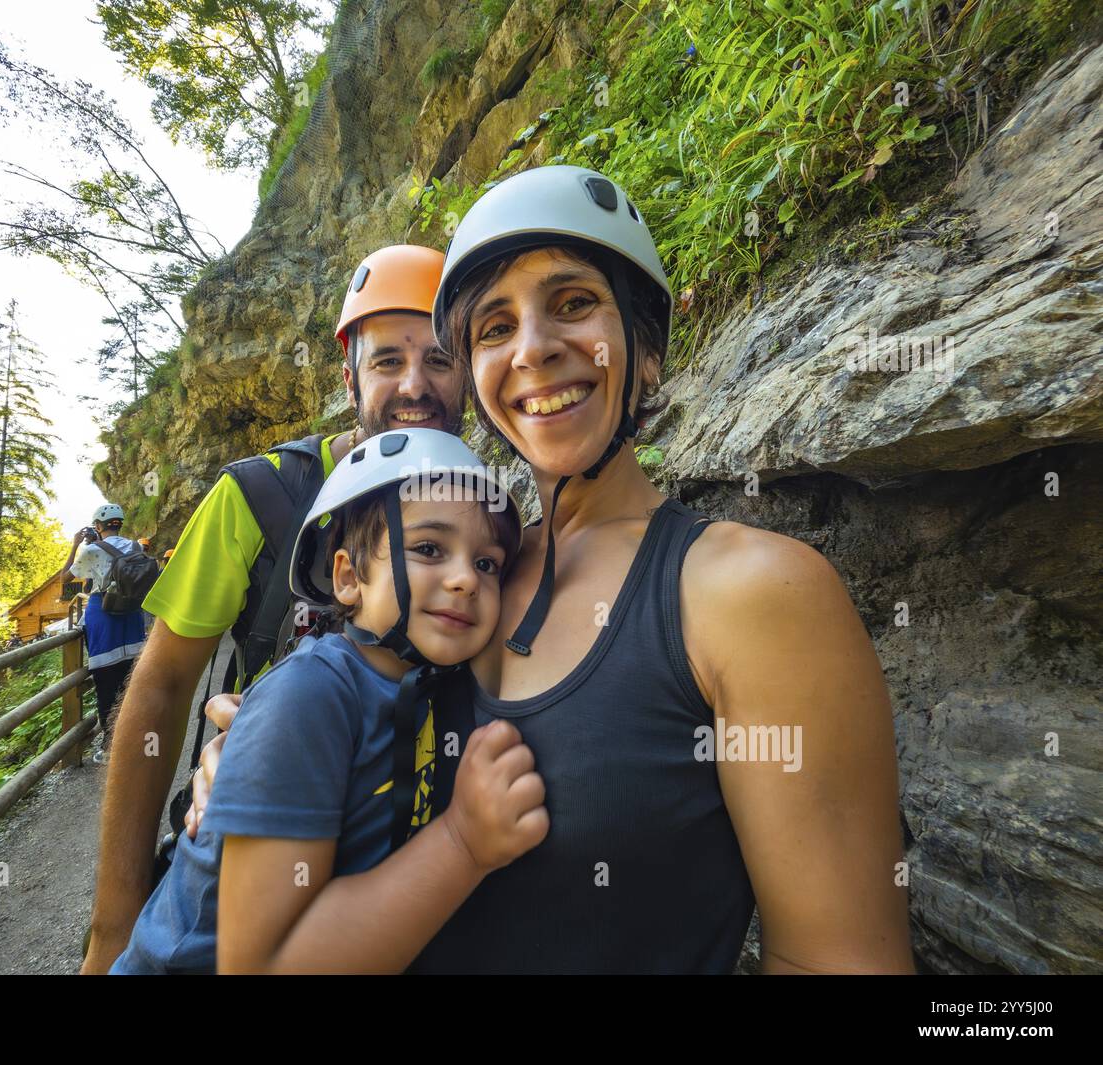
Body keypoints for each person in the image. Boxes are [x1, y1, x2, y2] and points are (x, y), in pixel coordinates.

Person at [190, 166, 915, 974]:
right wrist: (258, 758)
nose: (533, 348)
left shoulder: (751, 594)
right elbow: (342, 715)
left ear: (643, 350)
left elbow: (838, 961)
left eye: (573, 303)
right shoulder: (463, 580)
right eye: (494, 328)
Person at [81, 245, 469, 974]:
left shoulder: (480, 519)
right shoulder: (260, 499)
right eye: (388, 361)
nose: (416, 386)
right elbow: (162, 687)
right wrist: (113, 922)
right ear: (348, 377)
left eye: (441, 359)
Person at [109, 429, 542, 973]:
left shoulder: (425, 686)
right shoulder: (311, 695)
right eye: (429, 548)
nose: (465, 580)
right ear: (346, 576)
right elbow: (261, 962)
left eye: (488, 564)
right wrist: (464, 844)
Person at [58, 504, 148, 767]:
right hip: (131, 617)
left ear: (98, 525)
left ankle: (111, 747)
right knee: (129, 682)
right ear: (120, 522)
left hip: (104, 619)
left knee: (107, 685)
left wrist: (75, 544)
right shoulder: (135, 547)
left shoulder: (92, 550)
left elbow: (66, 578)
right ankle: (134, 739)